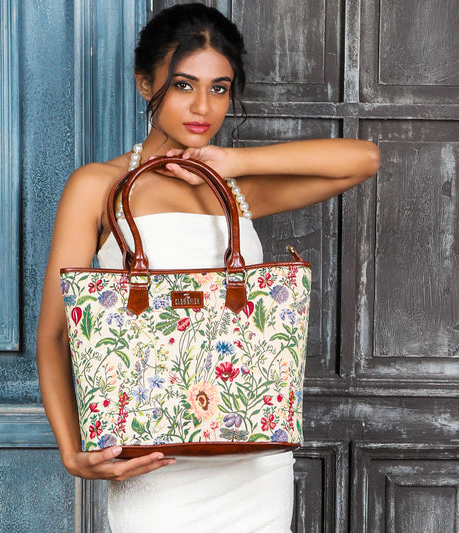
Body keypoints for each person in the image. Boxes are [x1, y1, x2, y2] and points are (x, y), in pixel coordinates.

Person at [36, 3, 380, 532]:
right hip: (157, 468)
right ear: (145, 83)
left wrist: (236, 162)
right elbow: (55, 334)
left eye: (219, 88)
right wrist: (71, 451)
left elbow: (363, 159)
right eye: (183, 85)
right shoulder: (98, 186)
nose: (203, 107)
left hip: (254, 466)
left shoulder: (235, 192)